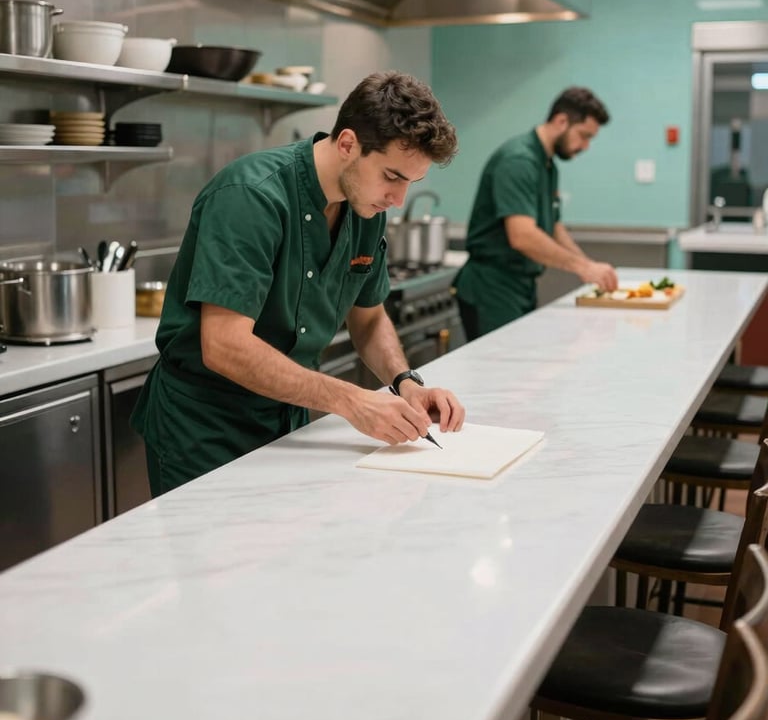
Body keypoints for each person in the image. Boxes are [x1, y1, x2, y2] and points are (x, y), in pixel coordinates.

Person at [131, 70, 466, 496]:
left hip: (289, 420)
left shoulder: (364, 208)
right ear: (348, 144)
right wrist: (352, 400)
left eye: (411, 184)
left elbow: (368, 318)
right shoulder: (251, 196)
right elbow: (224, 346)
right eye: (392, 177)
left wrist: (406, 382)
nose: (397, 200)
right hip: (205, 430)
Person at [454, 87, 618, 340]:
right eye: (583, 136)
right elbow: (523, 236)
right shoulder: (519, 161)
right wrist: (582, 267)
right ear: (561, 121)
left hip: (521, 285)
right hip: (492, 286)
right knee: (500, 369)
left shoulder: (547, 164)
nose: (585, 146)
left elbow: (553, 226)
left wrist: (590, 267)